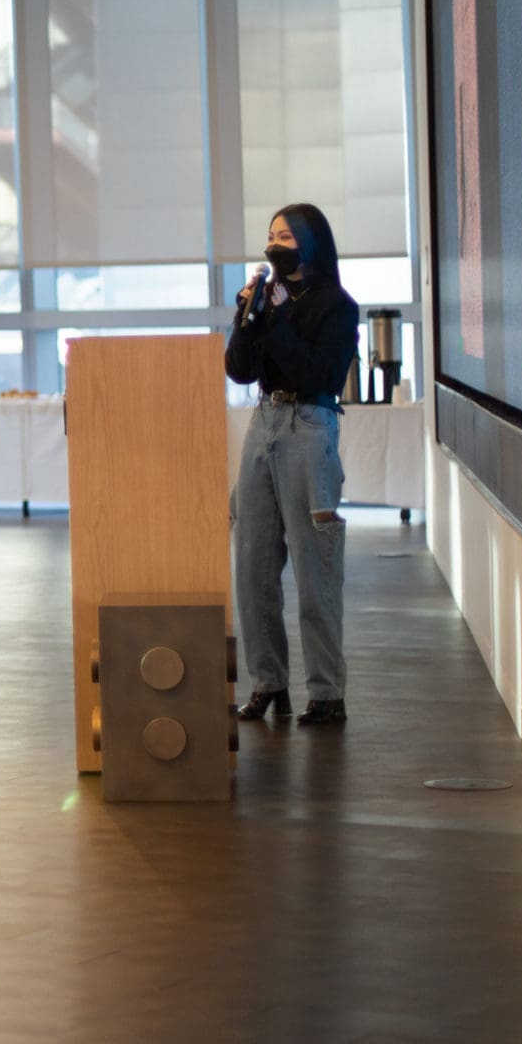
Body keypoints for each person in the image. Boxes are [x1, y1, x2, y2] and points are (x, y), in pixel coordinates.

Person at [226, 202, 361, 728]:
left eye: (284, 235)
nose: (273, 244)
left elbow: (318, 376)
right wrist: (246, 318)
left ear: (308, 243)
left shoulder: (336, 306)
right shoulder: (267, 304)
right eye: (269, 235)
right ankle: (267, 683)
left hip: (309, 426)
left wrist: (276, 319)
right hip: (263, 422)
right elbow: (240, 371)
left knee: (315, 567)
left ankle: (326, 692)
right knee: (253, 563)